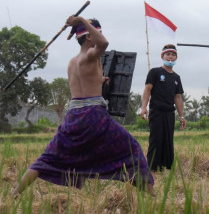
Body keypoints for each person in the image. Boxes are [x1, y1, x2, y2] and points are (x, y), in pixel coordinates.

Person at [11, 16, 154, 196]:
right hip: (93, 116)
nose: (100, 36)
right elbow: (104, 43)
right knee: (132, 148)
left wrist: (100, 80)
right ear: (88, 37)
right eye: (97, 32)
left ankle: (14, 194)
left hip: (74, 116)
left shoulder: (73, 62)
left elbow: (83, 83)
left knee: (45, 159)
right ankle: (152, 196)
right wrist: (81, 20)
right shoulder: (91, 55)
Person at [140, 44, 186, 172]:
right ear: (162, 56)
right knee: (156, 139)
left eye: (173, 55)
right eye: (168, 54)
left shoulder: (177, 78)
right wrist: (144, 107)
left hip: (170, 113)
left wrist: (181, 116)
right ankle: (152, 168)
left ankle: (166, 167)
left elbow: (177, 97)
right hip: (156, 111)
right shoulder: (154, 72)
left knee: (168, 139)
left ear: (176, 57)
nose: (170, 57)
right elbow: (147, 89)